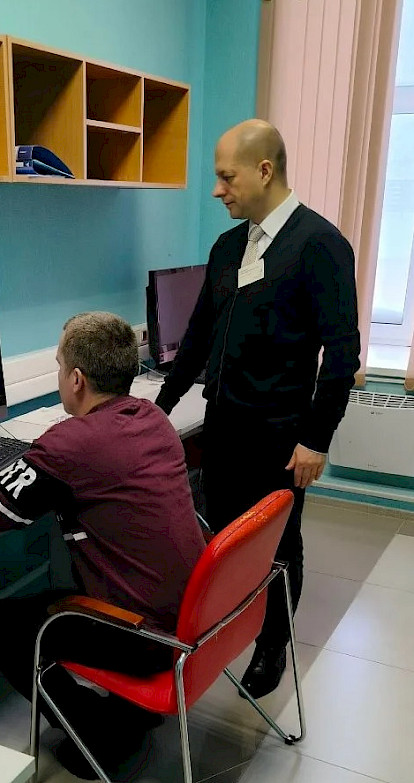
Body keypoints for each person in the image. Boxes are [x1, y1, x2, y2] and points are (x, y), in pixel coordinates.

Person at [0, 311, 206, 780]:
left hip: (146, 635)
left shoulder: (70, 445)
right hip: (191, 612)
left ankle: (96, 732)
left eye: (59, 366)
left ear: (76, 379)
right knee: (59, 587)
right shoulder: (153, 417)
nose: (59, 374)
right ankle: (127, 713)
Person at [155, 119, 361, 699]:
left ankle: (273, 642)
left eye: (226, 177)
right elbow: (198, 338)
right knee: (225, 540)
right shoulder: (228, 247)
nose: (216, 190)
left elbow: (342, 355)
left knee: (277, 544)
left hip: (280, 435)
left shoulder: (319, 245)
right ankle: (233, 628)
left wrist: (316, 439)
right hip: (223, 426)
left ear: (264, 171)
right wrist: (159, 409)